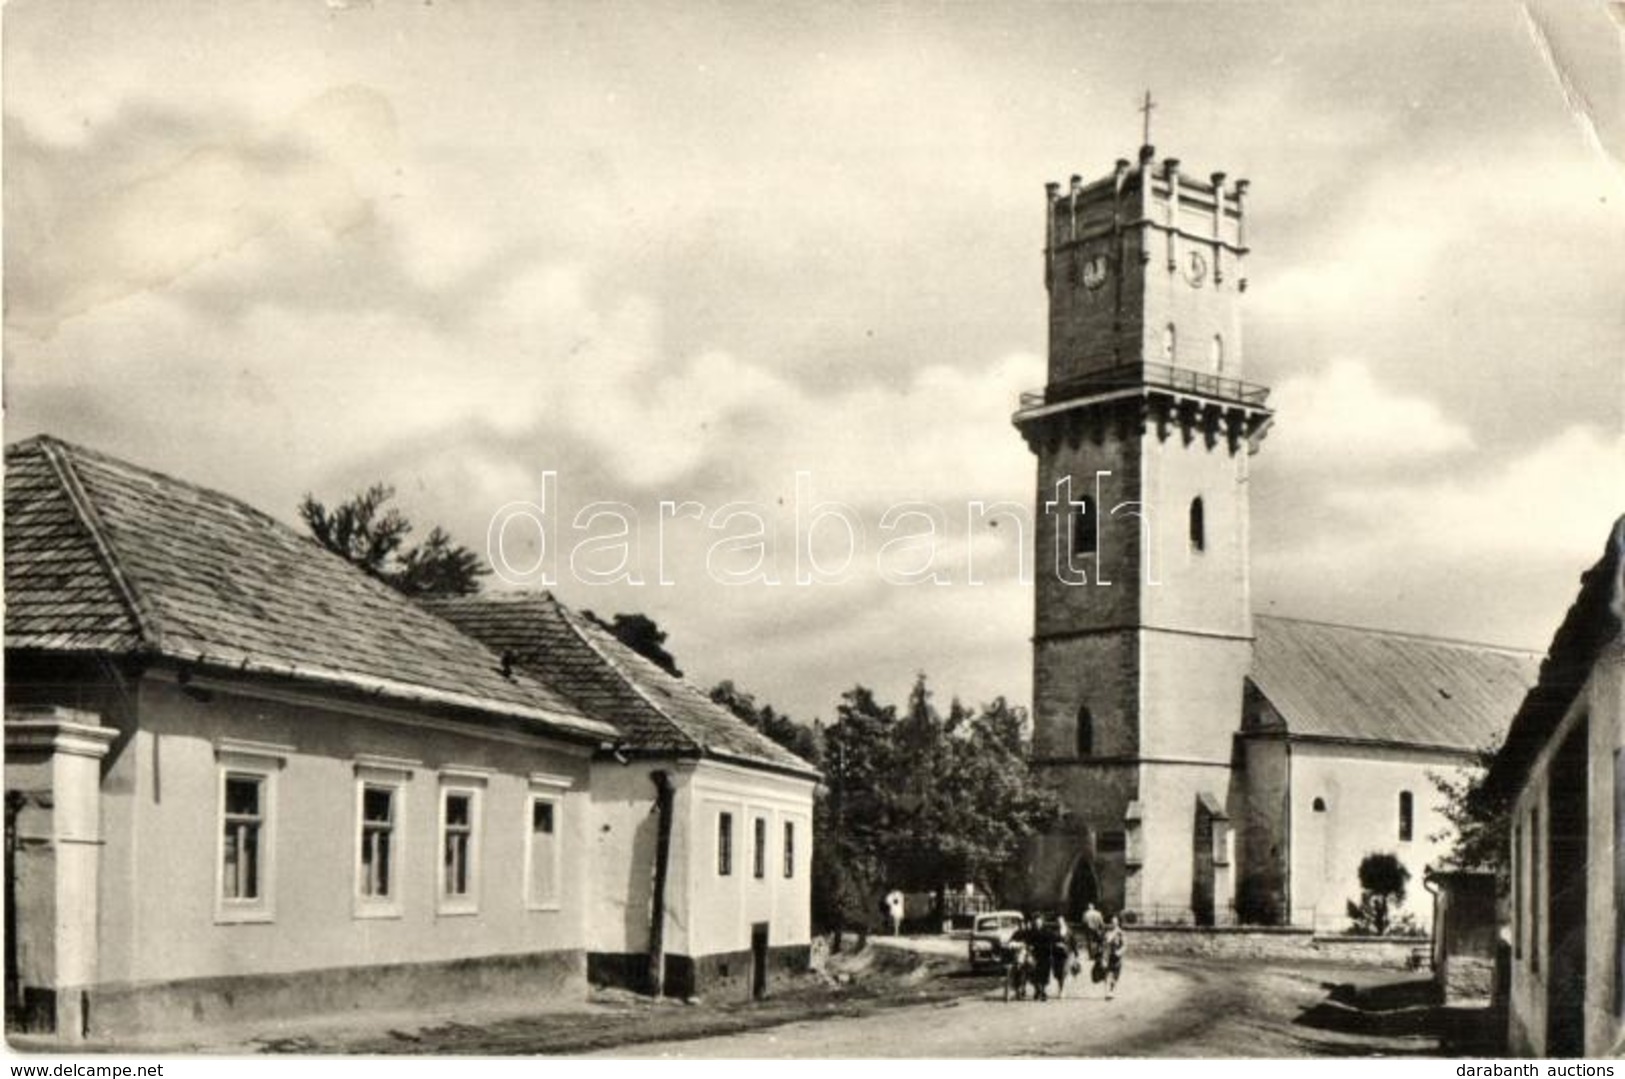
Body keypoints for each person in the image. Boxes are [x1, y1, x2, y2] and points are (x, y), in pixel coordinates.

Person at [1102, 915, 1126, 999]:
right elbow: (1104, 945)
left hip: (1116, 957)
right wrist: (1103, 956)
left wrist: (1119, 952)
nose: (1113, 923)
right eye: (1112, 922)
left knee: (1115, 975)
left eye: (1115, 922)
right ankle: (1107, 992)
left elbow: (1124, 945)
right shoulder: (1107, 933)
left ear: (1118, 922)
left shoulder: (1120, 933)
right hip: (1108, 956)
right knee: (1106, 974)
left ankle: (1111, 991)